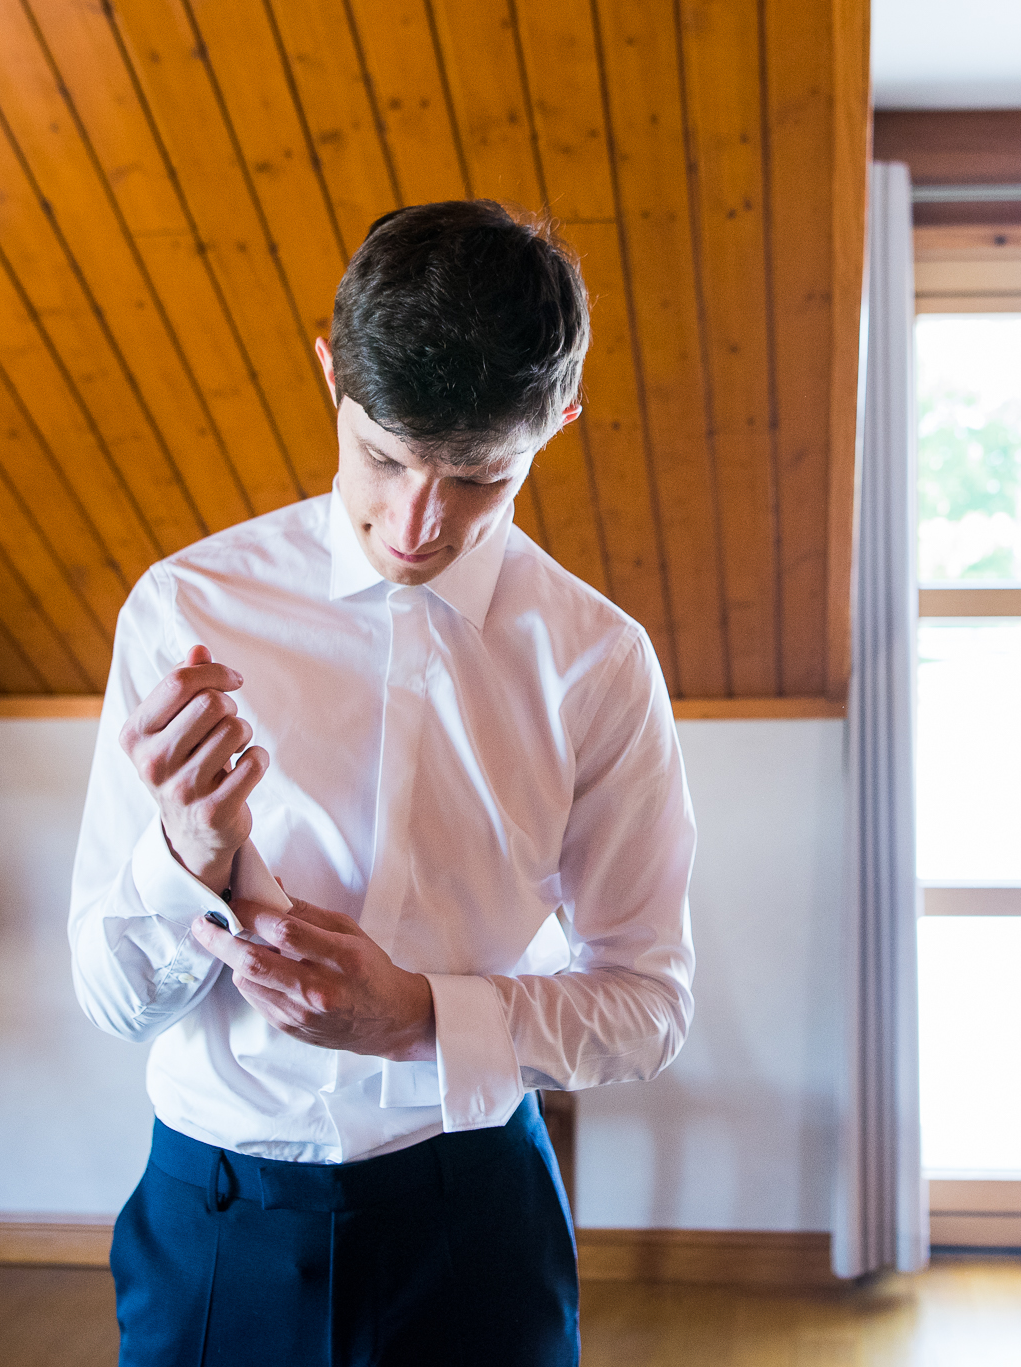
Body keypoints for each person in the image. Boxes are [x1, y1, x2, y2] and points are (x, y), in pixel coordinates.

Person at [68, 200, 696, 1366]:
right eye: (385, 456)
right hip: (213, 1227)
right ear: (329, 374)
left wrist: (418, 1015)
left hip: (474, 1221)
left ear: (558, 418)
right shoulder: (184, 610)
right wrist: (186, 854)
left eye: (475, 477)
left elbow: (647, 1006)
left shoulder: (600, 664)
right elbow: (114, 1002)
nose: (417, 522)